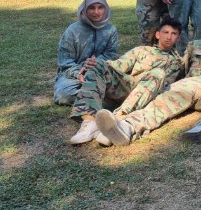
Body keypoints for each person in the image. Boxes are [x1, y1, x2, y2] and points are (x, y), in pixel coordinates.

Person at [95, 12, 201, 146]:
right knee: (163, 103)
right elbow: (181, 68)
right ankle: (126, 127)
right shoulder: (195, 45)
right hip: (191, 84)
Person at [68, 17, 183, 145]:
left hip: (147, 93)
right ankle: (89, 122)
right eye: (165, 32)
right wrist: (97, 65)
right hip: (127, 85)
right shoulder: (142, 50)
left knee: (158, 73)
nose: (169, 37)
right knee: (100, 64)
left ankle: (116, 122)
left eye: (174, 34)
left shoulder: (178, 63)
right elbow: (118, 65)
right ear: (157, 34)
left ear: (178, 38)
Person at [54, 0, 119, 105]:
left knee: (122, 87)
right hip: (72, 75)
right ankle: (100, 98)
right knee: (63, 95)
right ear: (84, 9)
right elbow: (65, 62)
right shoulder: (72, 31)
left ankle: (90, 97)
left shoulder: (110, 30)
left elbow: (110, 55)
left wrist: (96, 63)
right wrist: (80, 72)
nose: (96, 12)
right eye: (91, 8)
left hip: (101, 72)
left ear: (106, 9)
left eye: (100, 7)